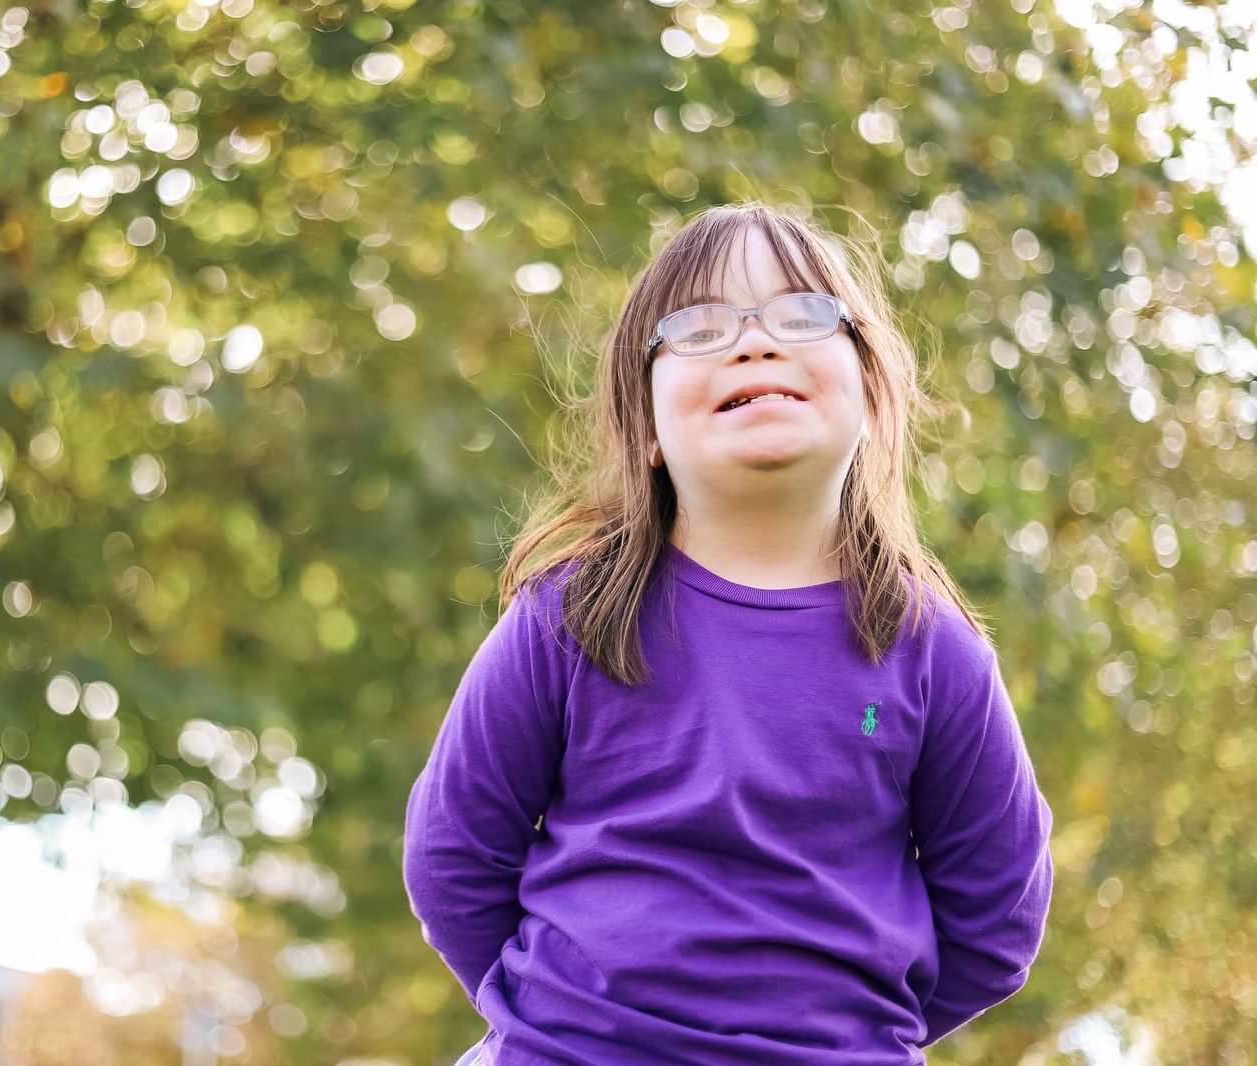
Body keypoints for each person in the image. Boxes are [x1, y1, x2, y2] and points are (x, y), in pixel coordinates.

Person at [401, 201, 1056, 1065]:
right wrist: (559, 1024)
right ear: (646, 430)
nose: (754, 341)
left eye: (802, 314)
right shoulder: (569, 619)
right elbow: (452, 855)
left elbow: (996, 915)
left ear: (870, 389)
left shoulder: (934, 651)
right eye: (701, 327)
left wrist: (844, 1037)